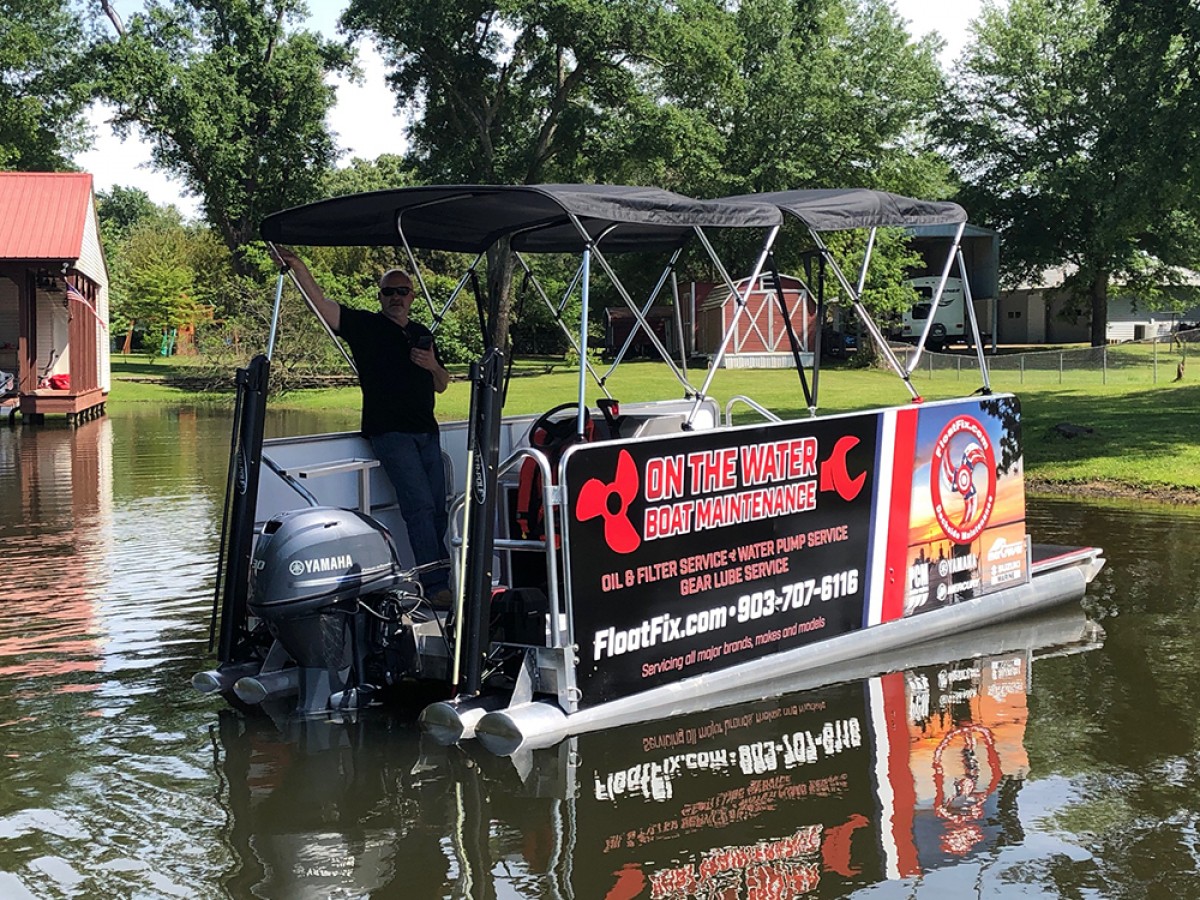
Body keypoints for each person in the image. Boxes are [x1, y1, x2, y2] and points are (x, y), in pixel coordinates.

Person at [271, 247, 453, 606]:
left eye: (402, 291)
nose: (396, 298)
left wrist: (432, 364)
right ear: (380, 297)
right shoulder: (366, 326)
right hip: (390, 433)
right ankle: (436, 589)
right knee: (418, 505)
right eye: (389, 292)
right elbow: (322, 306)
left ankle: (438, 577)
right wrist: (299, 266)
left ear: (412, 297)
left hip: (427, 433)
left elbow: (443, 383)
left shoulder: (421, 333)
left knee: (438, 507)